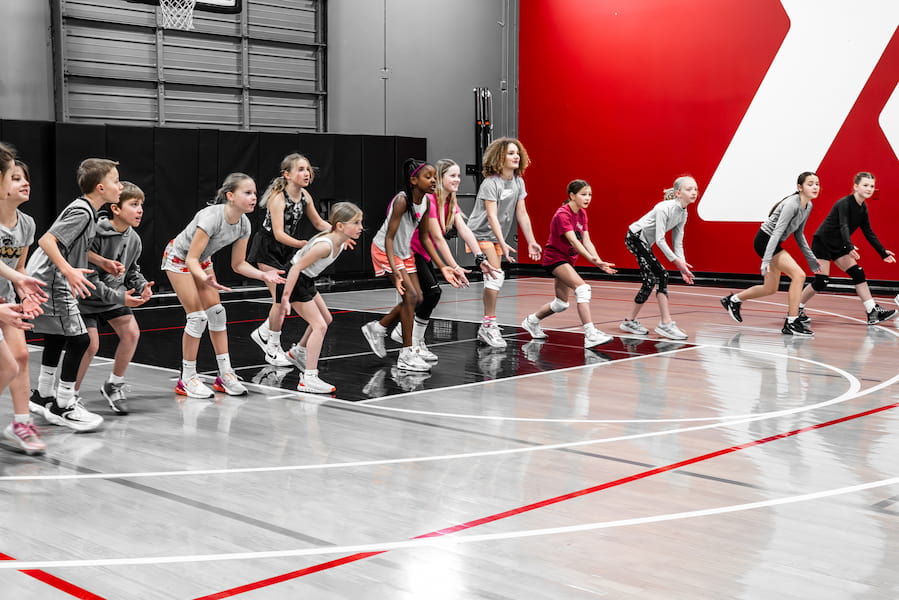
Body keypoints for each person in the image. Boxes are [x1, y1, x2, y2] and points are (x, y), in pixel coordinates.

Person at [162, 173, 285, 398]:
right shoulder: (211, 218)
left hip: (201, 262)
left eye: (255, 193)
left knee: (217, 313)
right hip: (179, 258)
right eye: (247, 193)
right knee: (197, 317)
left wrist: (263, 275)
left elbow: (238, 265)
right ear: (230, 196)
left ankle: (225, 374)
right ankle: (187, 378)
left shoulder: (244, 224)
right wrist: (202, 277)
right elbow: (190, 258)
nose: (253, 197)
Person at [27, 158, 123, 432]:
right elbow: (47, 240)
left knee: (57, 337)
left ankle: (43, 394)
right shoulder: (83, 211)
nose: (120, 186)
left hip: (47, 277)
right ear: (101, 187)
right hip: (51, 280)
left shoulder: (85, 210)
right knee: (80, 340)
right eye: (116, 181)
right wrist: (68, 271)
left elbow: (68, 242)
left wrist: (101, 262)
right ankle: (64, 405)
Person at [388, 158, 500, 361]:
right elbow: (437, 239)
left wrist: (479, 258)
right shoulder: (429, 200)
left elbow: (464, 230)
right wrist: (453, 266)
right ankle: (408, 340)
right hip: (408, 251)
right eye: (453, 175)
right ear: (440, 178)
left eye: (459, 175)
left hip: (422, 253)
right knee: (430, 293)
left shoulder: (450, 202)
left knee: (430, 295)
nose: (458, 179)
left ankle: (410, 337)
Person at [74, 181, 154, 414]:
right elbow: (89, 278)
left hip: (113, 297)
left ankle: (113, 384)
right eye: (134, 204)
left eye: (142, 205)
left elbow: (132, 271)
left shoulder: (135, 239)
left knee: (131, 333)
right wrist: (120, 297)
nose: (140, 210)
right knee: (90, 345)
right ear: (116, 209)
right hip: (86, 298)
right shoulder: (95, 233)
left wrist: (141, 286)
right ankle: (70, 394)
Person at [248, 154, 332, 366]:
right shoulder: (278, 198)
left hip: (286, 251)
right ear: (287, 175)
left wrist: (337, 231)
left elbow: (319, 222)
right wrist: (302, 245)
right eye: (301, 169)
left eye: (307, 169)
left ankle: (264, 332)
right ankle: (272, 347)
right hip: (268, 249)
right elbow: (278, 234)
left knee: (284, 297)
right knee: (279, 298)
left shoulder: (305, 196)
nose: (306, 173)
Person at [721, 171, 822, 336]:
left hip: (772, 243)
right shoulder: (792, 204)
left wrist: (811, 259)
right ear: (800, 187)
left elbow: (798, 234)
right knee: (799, 275)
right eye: (810, 184)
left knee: (770, 288)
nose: (815, 187)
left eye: (817, 184)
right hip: (765, 241)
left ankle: (733, 300)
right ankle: (791, 322)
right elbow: (776, 233)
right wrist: (766, 260)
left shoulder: (808, 206)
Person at [521, 179, 617, 347]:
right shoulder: (562, 214)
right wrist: (591, 259)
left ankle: (531, 321)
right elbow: (574, 241)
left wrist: (599, 261)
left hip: (567, 260)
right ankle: (590, 334)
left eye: (590, 195)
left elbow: (587, 240)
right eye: (583, 194)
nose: (588, 198)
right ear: (572, 195)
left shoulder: (582, 213)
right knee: (583, 289)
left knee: (561, 303)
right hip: (555, 259)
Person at [280, 202, 364, 393]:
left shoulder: (339, 238)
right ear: (341, 226)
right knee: (320, 325)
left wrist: (346, 238)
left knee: (326, 318)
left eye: (361, 222)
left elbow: (330, 227)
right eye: (356, 223)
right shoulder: (324, 246)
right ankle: (308, 378)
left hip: (307, 279)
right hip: (294, 279)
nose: (361, 227)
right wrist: (285, 299)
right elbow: (295, 268)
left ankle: (297, 352)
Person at [467, 137, 542, 348]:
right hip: (480, 233)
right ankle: (488, 325)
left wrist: (531, 241)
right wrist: (503, 242)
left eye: (517, 152)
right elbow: (491, 217)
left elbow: (522, 213)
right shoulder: (491, 183)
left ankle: (488, 323)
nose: (516, 156)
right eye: (510, 153)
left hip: (496, 235)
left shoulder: (518, 182)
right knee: (496, 276)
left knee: (495, 277)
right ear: (499, 157)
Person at [360, 159, 434, 372]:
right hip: (386, 250)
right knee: (410, 297)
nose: (433, 181)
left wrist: (447, 265)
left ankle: (378, 327)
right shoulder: (402, 200)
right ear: (413, 180)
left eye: (435, 178)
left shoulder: (427, 201)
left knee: (419, 297)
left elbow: (425, 237)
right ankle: (406, 354)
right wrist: (396, 272)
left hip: (404, 253)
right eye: (428, 177)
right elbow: (389, 238)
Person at [797, 171, 896, 325]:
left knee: (858, 273)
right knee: (821, 281)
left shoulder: (863, 208)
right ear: (856, 186)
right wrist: (849, 246)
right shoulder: (844, 203)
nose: (869, 188)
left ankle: (872, 311)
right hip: (823, 242)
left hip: (839, 243)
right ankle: (797, 308)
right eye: (865, 185)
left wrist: (882, 252)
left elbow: (868, 232)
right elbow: (843, 225)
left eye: (872, 186)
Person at [0, 154, 48, 454]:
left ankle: (21, 422)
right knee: (6, 364)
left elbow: (19, 268)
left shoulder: (26, 224)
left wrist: (26, 293)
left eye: (26, 177)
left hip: (5, 299)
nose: (25, 182)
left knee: (20, 356)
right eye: (16, 178)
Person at [619, 176, 698, 340]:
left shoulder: (683, 213)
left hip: (644, 242)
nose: (694, 192)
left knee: (650, 279)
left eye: (695, 189)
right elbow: (660, 239)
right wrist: (676, 262)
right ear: (678, 193)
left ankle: (629, 321)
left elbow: (678, 243)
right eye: (689, 189)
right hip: (635, 237)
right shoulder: (664, 208)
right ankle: (665, 324)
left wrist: (682, 267)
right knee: (661, 275)